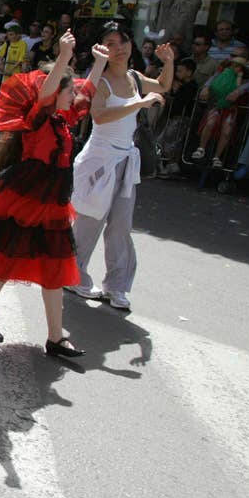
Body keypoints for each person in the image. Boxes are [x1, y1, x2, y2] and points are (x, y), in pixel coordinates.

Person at [0, 31, 105, 355]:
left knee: (55, 267)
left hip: (53, 203)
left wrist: (100, 62)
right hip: (25, 199)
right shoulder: (38, 119)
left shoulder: (64, 119)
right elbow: (47, 95)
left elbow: (87, 92)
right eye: (69, 88)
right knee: (5, 259)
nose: (73, 92)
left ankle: (55, 337)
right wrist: (63, 56)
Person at [68, 22, 172, 312]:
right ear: (101, 48)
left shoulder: (135, 78)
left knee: (121, 227)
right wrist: (139, 104)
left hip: (126, 160)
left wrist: (169, 63)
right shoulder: (100, 80)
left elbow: (163, 85)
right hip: (99, 161)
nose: (118, 48)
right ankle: (73, 276)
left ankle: (117, 287)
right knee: (89, 222)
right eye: (110, 43)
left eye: (122, 41)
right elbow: (99, 116)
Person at [191, 56, 249, 168]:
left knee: (226, 131)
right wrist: (206, 88)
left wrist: (239, 81)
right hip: (216, 106)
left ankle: (217, 156)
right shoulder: (221, 73)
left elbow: (239, 88)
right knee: (210, 123)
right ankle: (201, 148)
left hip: (230, 109)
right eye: (233, 65)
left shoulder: (244, 79)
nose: (235, 67)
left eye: (238, 66)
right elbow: (212, 81)